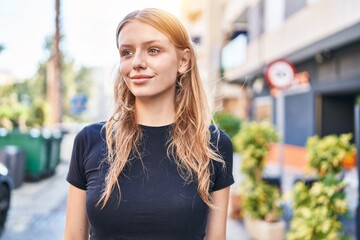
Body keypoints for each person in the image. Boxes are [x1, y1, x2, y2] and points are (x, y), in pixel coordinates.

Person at [64, 8, 234, 240]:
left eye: (153, 50)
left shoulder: (213, 144)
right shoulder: (91, 139)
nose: (137, 62)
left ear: (183, 61)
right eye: (127, 52)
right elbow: (73, 236)